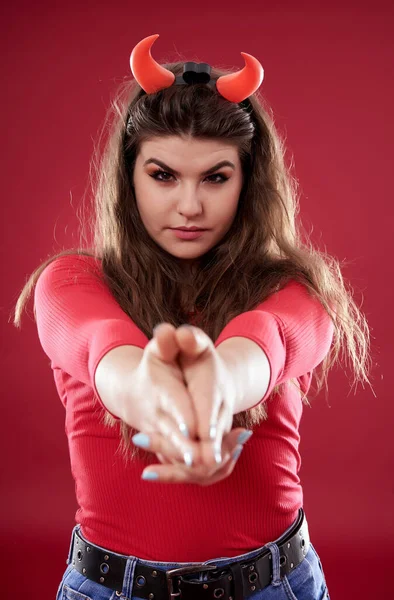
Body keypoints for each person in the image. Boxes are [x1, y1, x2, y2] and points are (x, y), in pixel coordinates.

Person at [13, 33, 372, 600]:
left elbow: (261, 345)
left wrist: (219, 384)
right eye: (163, 176)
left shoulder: (295, 290)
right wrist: (157, 394)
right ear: (128, 179)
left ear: (247, 182)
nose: (189, 206)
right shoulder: (72, 283)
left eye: (215, 177)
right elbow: (109, 356)